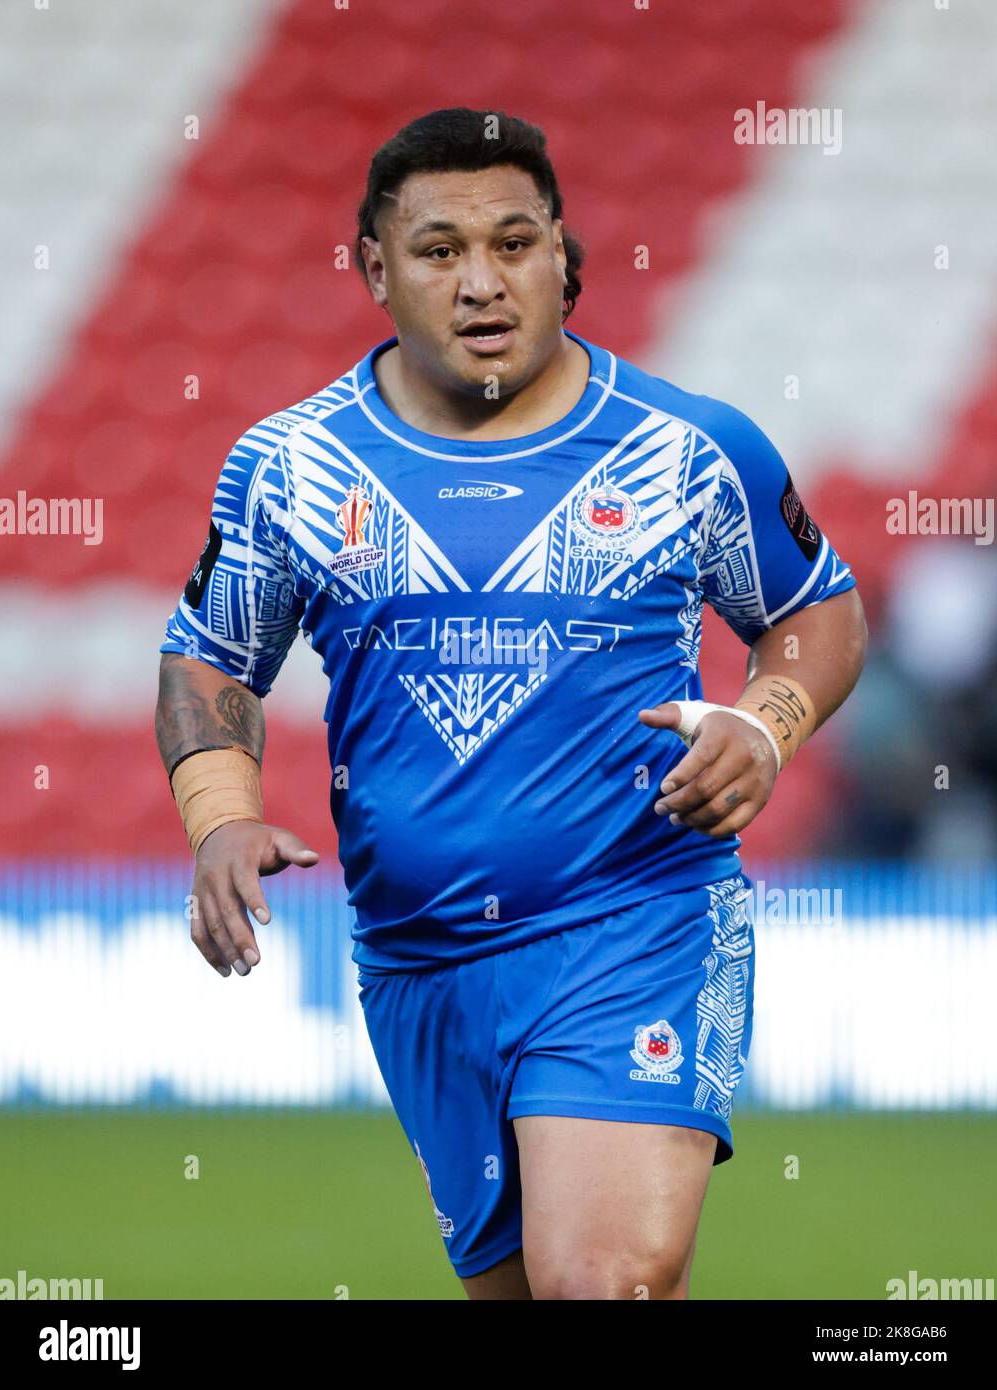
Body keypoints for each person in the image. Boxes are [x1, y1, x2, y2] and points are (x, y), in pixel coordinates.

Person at [155, 107, 867, 1300]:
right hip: (418, 958)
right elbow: (211, 661)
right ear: (374, 270)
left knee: (603, 1281)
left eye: (516, 242)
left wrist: (767, 723)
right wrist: (219, 816)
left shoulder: (688, 451)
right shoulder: (292, 468)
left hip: (636, 918)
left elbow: (818, 613)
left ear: (564, 256)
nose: (483, 281)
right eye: (439, 251)